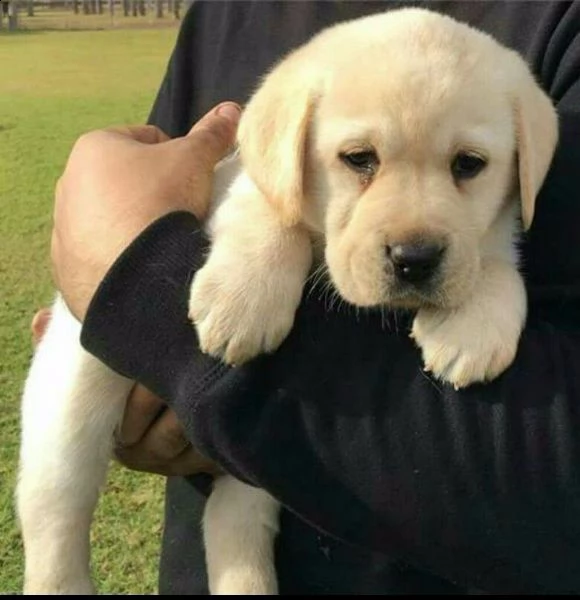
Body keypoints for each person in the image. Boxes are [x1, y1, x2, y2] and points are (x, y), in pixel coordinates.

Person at [43, 0, 580, 595]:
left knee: (243, 512)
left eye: (468, 164)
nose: (414, 237)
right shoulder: (227, 18)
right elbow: (219, 194)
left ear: (525, 159)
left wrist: (495, 287)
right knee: (79, 403)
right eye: (360, 159)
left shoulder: (546, 40)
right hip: (209, 476)